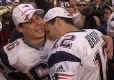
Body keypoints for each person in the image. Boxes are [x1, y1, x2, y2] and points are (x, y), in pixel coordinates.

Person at [43, 7, 113, 80]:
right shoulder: (94, 32)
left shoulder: (61, 48)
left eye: (48, 31)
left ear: (58, 21)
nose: (49, 37)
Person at [0, 3, 52, 80]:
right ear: (19, 28)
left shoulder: (57, 37)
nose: (38, 23)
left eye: (37, 18)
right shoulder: (9, 54)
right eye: (30, 21)